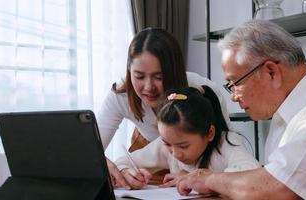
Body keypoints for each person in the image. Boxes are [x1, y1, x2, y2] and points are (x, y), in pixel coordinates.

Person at [176, 19, 306, 199]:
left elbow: (277, 187)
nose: (233, 96)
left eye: (235, 83)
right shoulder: (290, 112)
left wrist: (209, 180)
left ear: (271, 72)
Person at [96, 27, 234, 189]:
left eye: (159, 77)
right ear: (129, 72)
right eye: (139, 76)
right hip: (151, 154)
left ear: (174, 72)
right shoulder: (121, 96)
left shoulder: (202, 93)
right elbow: (91, 149)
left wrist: (200, 177)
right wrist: (124, 171)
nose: (149, 87)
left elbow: (227, 144)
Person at [114, 86, 259, 189]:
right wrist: (126, 172)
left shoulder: (227, 142)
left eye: (183, 146)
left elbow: (252, 173)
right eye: (167, 144)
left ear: (209, 134)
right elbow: (122, 162)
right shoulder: (168, 145)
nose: (175, 153)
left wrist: (199, 179)